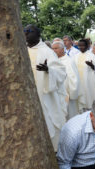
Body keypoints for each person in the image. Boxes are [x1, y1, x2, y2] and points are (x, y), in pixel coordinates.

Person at [24, 24, 67, 152]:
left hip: (44, 96)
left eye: (29, 31)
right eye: (24, 31)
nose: (25, 33)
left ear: (38, 34)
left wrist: (49, 71)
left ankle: (52, 151)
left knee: (48, 124)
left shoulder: (47, 52)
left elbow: (61, 73)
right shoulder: (21, 49)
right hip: (26, 97)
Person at [51, 41, 85, 120]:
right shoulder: (52, 61)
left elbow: (74, 79)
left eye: (56, 48)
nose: (54, 51)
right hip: (55, 95)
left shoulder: (69, 61)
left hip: (67, 95)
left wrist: (72, 94)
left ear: (62, 49)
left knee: (69, 117)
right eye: (52, 49)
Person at [73, 39, 95, 111]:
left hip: (88, 84)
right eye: (79, 46)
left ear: (87, 46)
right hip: (78, 83)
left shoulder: (92, 56)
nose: (81, 47)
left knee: (88, 102)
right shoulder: (75, 56)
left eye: (83, 45)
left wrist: (92, 66)